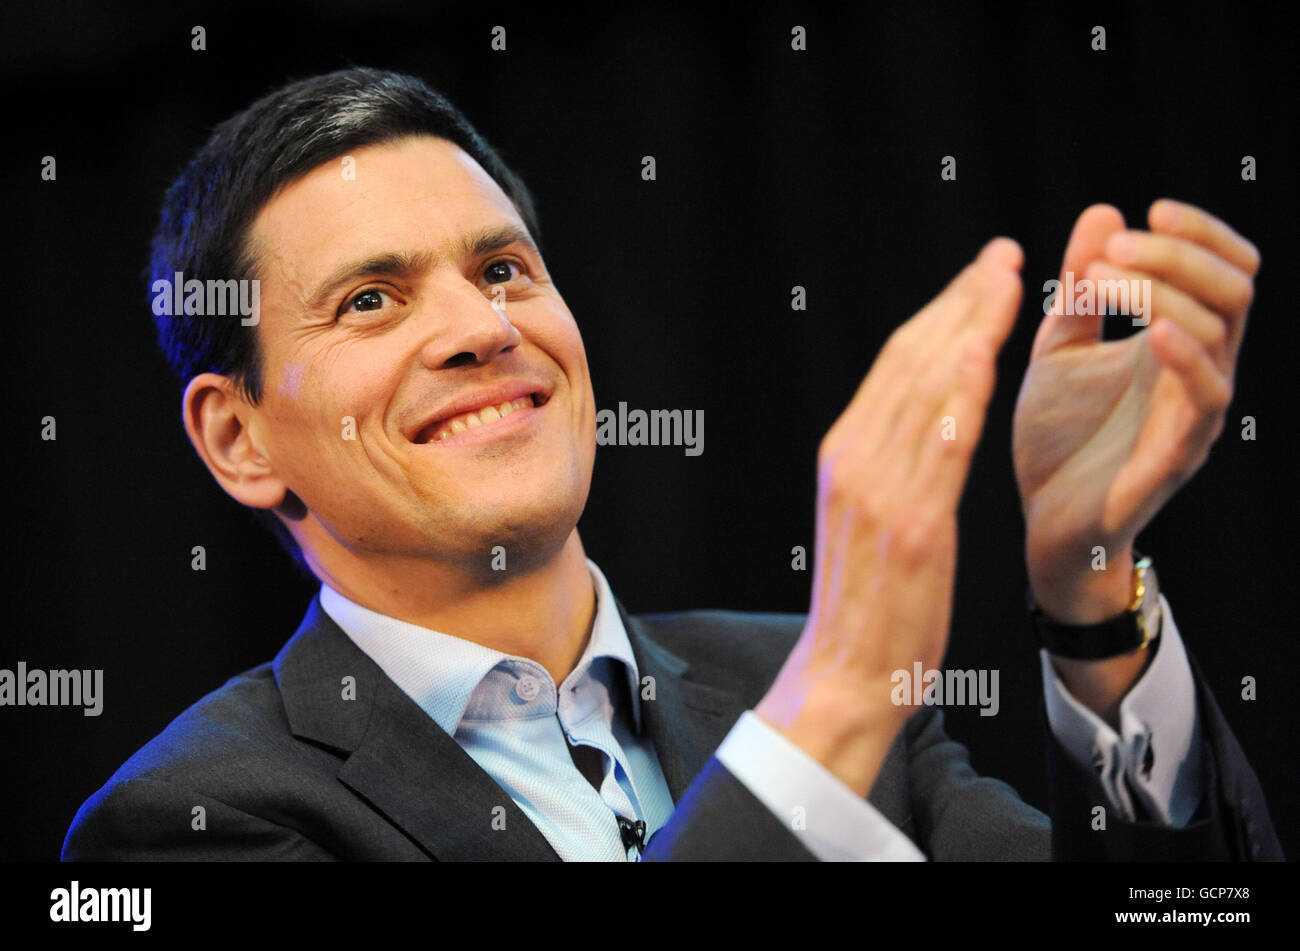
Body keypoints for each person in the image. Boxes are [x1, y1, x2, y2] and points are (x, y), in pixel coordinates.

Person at [62, 68, 1282, 861]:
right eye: (372, 300)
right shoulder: (188, 820)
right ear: (240, 437)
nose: (485, 328)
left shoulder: (783, 680)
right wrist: (838, 699)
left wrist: (1087, 590)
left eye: (502, 270)